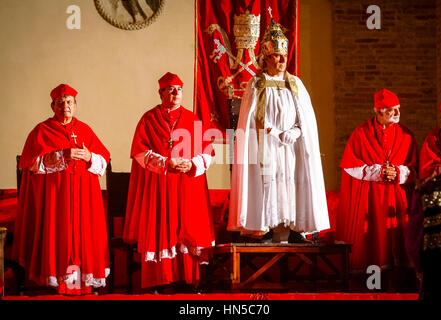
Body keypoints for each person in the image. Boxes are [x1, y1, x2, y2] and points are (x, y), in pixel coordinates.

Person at [227, 16, 330, 243]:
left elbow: (306, 118)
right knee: (268, 181)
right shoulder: (257, 83)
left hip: (292, 146)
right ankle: (263, 227)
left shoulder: (295, 83)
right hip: (266, 144)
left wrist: (295, 132)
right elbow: (250, 120)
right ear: (266, 56)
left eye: (284, 55)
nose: (282, 59)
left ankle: (296, 227)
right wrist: (272, 132)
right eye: (277, 55)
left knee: (292, 181)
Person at [12, 84, 110, 295]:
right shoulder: (41, 130)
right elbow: (32, 165)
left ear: (75, 106)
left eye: (69, 102)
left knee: (82, 240)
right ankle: (54, 288)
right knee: (58, 237)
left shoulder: (85, 130)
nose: (65, 106)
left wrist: (89, 156)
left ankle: (81, 287)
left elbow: (103, 160)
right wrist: (62, 155)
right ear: (52, 106)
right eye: (60, 103)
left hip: (83, 199)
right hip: (55, 200)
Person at [123, 72, 215, 293]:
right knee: (160, 227)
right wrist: (165, 162)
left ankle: (188, 281)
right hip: (159, 187)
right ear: (161, 92)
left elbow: (207, 152)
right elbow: (139, 152)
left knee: (187, 229)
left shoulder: (192, 119)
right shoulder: (148, 119)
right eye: (171, 89)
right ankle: (160, 281)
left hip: (186, 187)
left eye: (179, 89)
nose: (176, 93)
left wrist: (192, 163)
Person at [335, 89, 417, 289]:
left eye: (398, 109)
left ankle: (399, 286)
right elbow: (350, 166)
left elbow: (415, 168)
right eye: (391, 111)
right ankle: (373, 287)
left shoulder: (406, 135)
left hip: (397, 198)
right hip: (370, 198)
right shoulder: (361, 133)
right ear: (379, 111)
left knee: (399, 242)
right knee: (372, 242)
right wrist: (378, 172)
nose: (397, 114)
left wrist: (398, 172)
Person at [406, 95, 441, 299]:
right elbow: (427, 167)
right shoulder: (432, 138)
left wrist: (418, 264)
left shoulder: (428, 191)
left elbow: (415, 234)